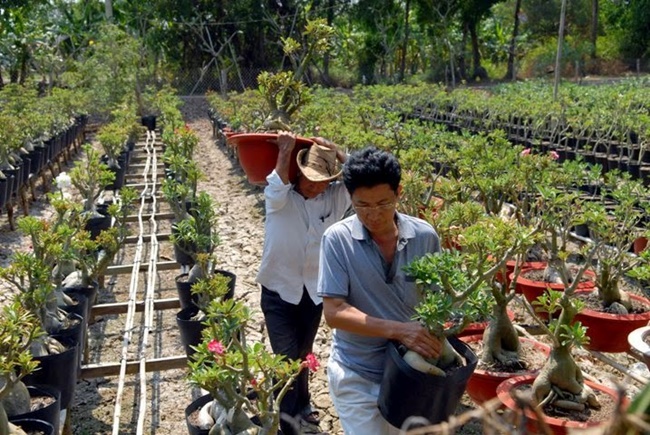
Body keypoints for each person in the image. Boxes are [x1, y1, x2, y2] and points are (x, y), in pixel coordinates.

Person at [317, 146, 443, 434]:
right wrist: (400, 330)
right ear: (350, 197)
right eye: (363, 206)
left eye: (383, 204)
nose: (373, 215)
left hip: (412, 373)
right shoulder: (337, 240)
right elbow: (334, 313)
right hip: (357, 372)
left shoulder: (424, 237)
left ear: (398, 192)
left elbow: (439, 299)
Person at [256, 131, 350, 435]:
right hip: (277, 291)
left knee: (304, 352)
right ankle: (286, 422)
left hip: (313, 292)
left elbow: (360, 179)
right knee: (285, 358)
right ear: (298, 172)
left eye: (322, 179)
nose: (315, 184)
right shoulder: (280, 198)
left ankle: (304, 403)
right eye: (309, 177)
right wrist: (285, 151)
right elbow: (277, 182)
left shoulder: (335, 197)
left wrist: (336, 150)